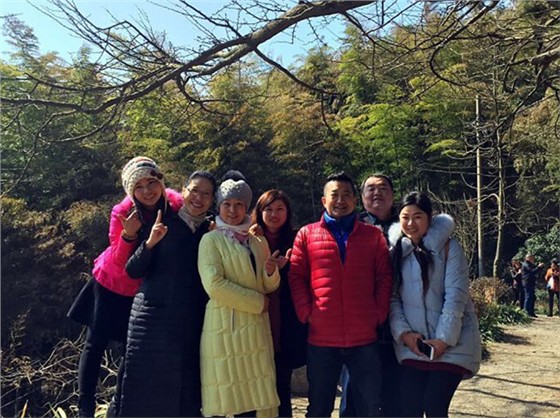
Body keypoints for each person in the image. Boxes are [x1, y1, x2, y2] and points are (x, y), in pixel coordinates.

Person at [67, 156, 183, 418]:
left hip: (141, 290)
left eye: (151, 182)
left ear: (161, 182)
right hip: (110, 283)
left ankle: (118, 406)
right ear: (131, 191)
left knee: (130, 349)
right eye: (139, 186)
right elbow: (121, 260)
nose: (147, 191)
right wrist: (128, 234)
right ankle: (85, 407)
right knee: (94, 343)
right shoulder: (122, 212)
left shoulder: (176, 206)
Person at [289, 172, 393, 417]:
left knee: (369, 406)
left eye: (347, 195)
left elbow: (384, 277)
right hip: (321, 339)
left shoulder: (372, 235)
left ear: (355, 201)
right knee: (319, 407)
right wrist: (306, 313)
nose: (340, 200)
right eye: (334, 195)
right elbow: (296, 277)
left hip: (363, 338)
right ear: (324, 201)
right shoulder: (306, 234)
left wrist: (377, 314)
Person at [119, 170, 217, 417]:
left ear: (213, 199)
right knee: (144, 391)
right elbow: (132, 270)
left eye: (206, 193)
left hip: (190, 322)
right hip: (152, 320)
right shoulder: (163, 221)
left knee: (186, 391)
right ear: (183, 191)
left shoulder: (212, 230)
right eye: (194, 190)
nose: (199, 197)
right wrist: (150, 242)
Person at [388, 191, 481, 418]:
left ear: (430, 217)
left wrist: (443, 340)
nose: (411, 223)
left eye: (417, 216)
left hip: (452, 346)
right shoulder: (395, 253)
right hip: (414, 347)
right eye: (405, 217)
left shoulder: (450, 248)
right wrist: (405, 334)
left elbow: (456, 296)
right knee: (409, 408)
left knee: (434, 406)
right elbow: (392, 298)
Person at [198, 175, 281, 418]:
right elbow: (214, 285)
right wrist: (257, 303)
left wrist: (270, 271)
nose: (232, 210)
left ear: (247, 207)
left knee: (255, 399)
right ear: (219, 207)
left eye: (239, 204)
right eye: (227, 204)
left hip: (255, 329)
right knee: (229, 396)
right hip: (226, 327)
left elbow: (267, 285)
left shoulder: (256, 240)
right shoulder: (210, 240)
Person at [340, 173, 400, 418]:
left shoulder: (408, 222)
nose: (377, 193)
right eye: (371, 189)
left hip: (400, 324)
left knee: (395, 396)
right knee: (354, 395)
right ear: (360, 198)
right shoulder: (349, 226)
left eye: (383, 188)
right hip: (360, 326)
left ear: (393, 195)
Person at [251, 189, 308, 417]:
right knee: (253, 389)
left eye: (280, 209)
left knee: (281, 387)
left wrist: (287, 268)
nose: (274, 214)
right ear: (259, 211)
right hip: (255, 317)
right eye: (269, 209)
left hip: (285, 324)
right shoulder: (248, 239)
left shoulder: (297, 239)